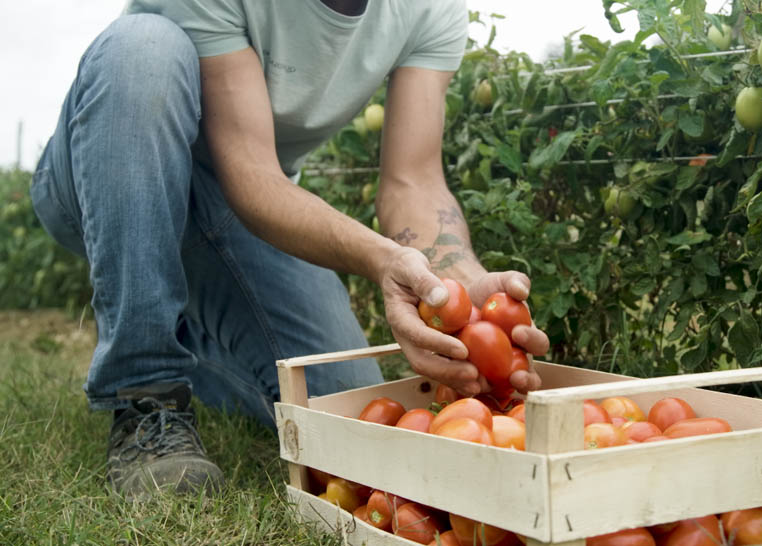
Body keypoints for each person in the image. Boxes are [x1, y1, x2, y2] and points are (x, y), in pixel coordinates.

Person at [30, 0, 547, 500]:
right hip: (113, 163)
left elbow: (413, 181)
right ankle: (145, 392)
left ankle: (180, 337)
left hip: (241, 202)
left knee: (341, 402)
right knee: (142, 46)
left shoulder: (429, 7)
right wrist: (380, 257)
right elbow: (249, 173)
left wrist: (459, 281)